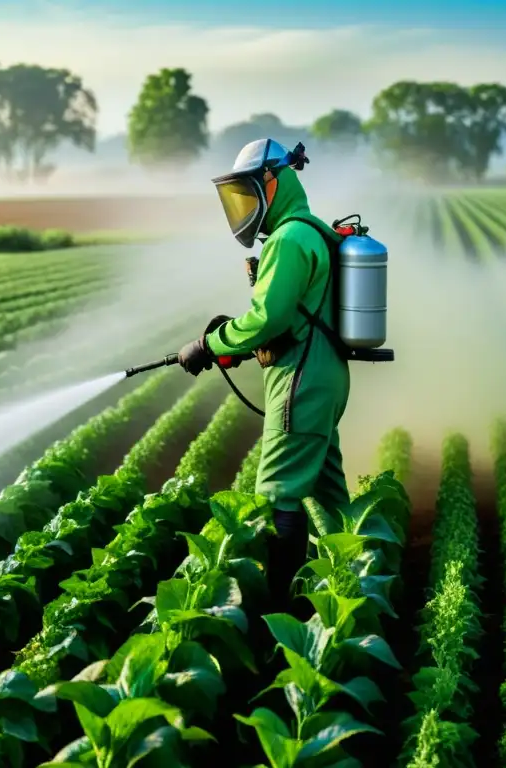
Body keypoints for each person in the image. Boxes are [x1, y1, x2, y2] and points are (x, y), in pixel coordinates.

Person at [176, 138, 351, 612]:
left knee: (276, 494)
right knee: (330, 495)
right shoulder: (311, 231)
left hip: (302, 379)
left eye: (249, 194)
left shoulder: (290, 239)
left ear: (274, 182)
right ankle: (357, 581)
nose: (244, 208)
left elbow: (267, 319)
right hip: (324, 375)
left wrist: (208, 345)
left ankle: (280, 612)